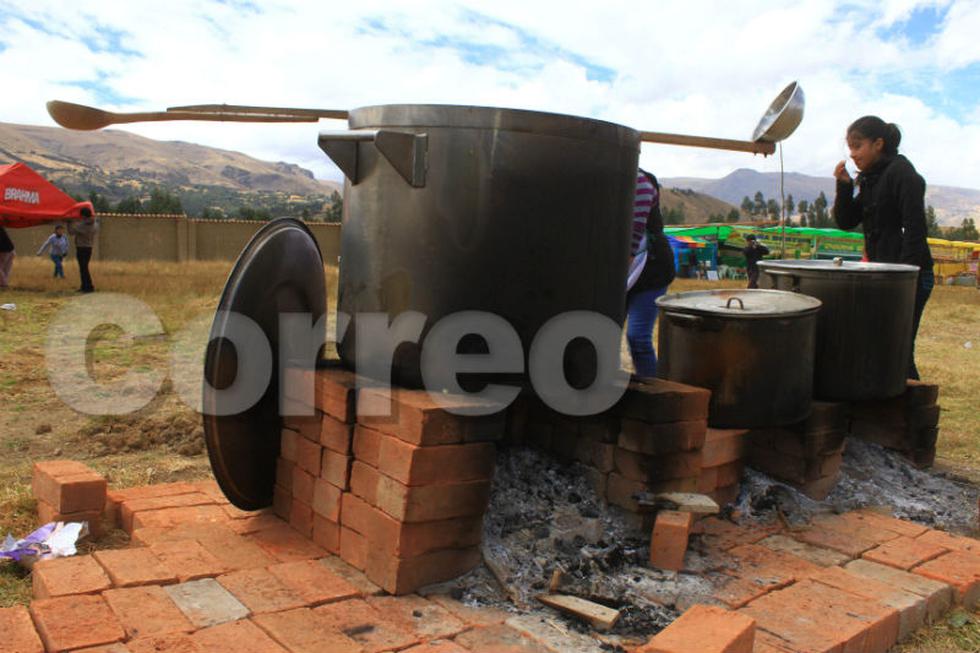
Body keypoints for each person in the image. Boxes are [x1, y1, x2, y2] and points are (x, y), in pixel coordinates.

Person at [832, 115, 934, 380]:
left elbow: (915, 230)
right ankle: (891, 407)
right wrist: (844, 187)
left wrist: (905, 277)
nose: (853, 154)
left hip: (908, 275)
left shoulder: (903, 174)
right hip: (884, 274)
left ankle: (913, 411)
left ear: (878, 144)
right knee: (880, 343)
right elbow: (846, 221)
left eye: (858, 146)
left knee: (897, 347)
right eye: (850, 148)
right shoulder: (871, 177)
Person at [626, 169, 676, 377]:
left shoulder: (638, 180)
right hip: (615, 268)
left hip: (649, 269)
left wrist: (628, 253)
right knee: (603, 334)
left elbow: (636, 228)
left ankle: (651, 391)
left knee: (637, 338)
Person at [67, 208, 99, 292]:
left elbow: (71, 232)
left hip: (81, 247)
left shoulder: (83, 226)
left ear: (84, 216)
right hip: (89, 247)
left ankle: (88, 286)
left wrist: (69, 222)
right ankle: (85, 286)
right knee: (84, 267)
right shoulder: (94, 224)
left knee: (83, 268)